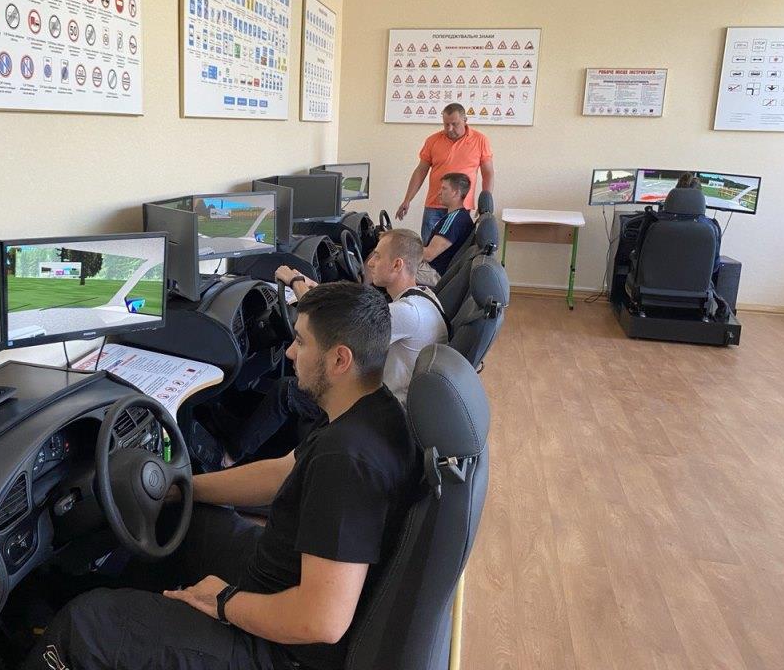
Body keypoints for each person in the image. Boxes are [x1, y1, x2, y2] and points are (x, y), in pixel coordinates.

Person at [26, 283, 420, 670]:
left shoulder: (348, 460)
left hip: (279, 650)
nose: (289, 351)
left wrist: (222, 602)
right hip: (276, 574)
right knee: (180, 520)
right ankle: (131, 621)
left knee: (83, 627)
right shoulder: (369, 410)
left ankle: (101, 633)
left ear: (339, 360)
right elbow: (281, 473)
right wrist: (183, 489)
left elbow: (321, 622)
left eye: (301, 342)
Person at [209, 229, 448, 466]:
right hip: (392, 404)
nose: (370, 262)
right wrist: (316, 289)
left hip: (382, 417)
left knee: (286, 390)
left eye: (377, 256)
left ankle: (228, 458)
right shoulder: (423, 298)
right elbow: (354, 310)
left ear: (397, 265)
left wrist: (296, 283)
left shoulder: (407, 313)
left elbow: (331, 328)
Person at [396, 102, 494, 242]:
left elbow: (488, 173)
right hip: (434, 205)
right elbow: (420, 171)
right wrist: (407, 200)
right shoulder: (432, 140)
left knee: (458, 249)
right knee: (429, 247)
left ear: (465, 120)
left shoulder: (480, 140)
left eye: (454, 124)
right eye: (446, 124)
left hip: (461, 207)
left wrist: (485, 204)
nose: (450, 129)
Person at [416, 172, 474, 287]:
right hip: (436, 270)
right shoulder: (458, 216)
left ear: (456, 193)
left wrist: (401, 248)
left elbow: (428, 255)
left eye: (444, 188)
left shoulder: (454, 220)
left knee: (386, 267)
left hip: (435, 273)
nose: (439, 192)